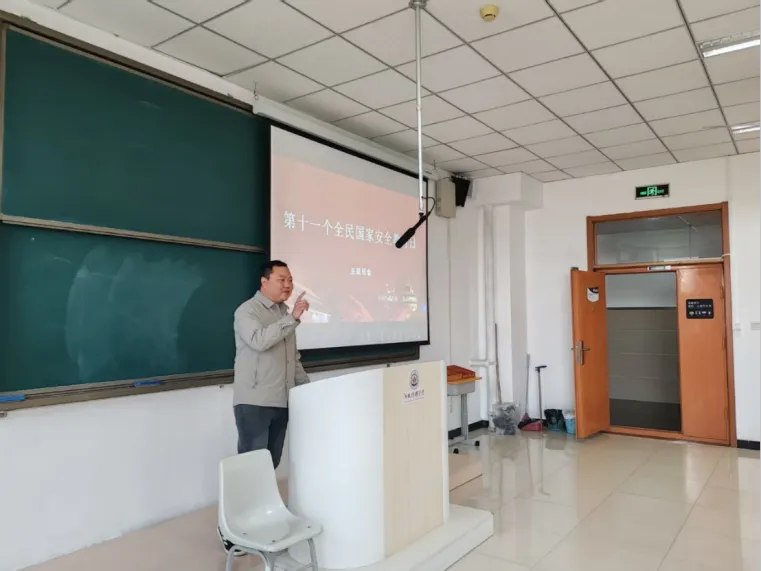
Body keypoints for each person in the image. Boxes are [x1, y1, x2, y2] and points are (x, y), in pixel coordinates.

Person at [218, 260, 310, 555]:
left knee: (268, 466)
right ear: (264, 282)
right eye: (282, 279)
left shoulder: (284, 314)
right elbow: (259, 341)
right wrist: (292, 319)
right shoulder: (247, 311)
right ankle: (230, 529)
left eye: (290, 280)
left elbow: (292, 359)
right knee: (249, 468)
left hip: (282, 401)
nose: (288, 285)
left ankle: (259, 522)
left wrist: (308, 390)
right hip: (255, 401)